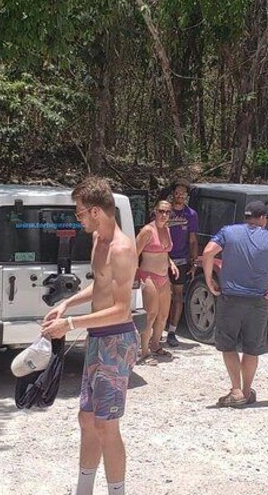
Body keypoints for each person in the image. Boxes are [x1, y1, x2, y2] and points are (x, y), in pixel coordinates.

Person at [41, 176, 139, 495]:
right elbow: (100, 287)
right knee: (87, 419)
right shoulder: (99, 240)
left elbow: (123, 309)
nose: (77, 217)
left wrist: (70, 325)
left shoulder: (123, 249)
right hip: (98, 339)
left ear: (96, 211)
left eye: (80, 212)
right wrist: (67, 303)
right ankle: (83, 489)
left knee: (106, 425)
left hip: (117, 341)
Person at [202, 200, 268, 407]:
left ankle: (235, 390)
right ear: (263, 218)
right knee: (252, 349)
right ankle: (246, 391)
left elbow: (208, 252)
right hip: (258, 301)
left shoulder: (227, 232)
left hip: (230, 298)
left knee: (228, 345)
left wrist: (209, 280)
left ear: (246, 216)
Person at [135, 199, 178, 365]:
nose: (164, 215)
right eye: (161, 211)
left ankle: (155, 345)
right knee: (150, 314)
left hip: (164, 277)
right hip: (148, 275)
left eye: (167, 212)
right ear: (155, 211)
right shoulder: (147, 230)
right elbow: (134, 252)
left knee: (163, 315)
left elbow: (164, 252)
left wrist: (171, 263)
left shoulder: (167, 229)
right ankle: (143, 351)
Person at [165, 178, 198, 347]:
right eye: (177, 192)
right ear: (173, 193)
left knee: (177, 296)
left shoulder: (191, 214)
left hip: (181, 260)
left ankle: (172, 331)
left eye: (183, 193)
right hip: (162, 259)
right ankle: (154, 329)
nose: (180, 195)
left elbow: (192, 240)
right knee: (162, 296)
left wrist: (193, 262)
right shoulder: (165, 212)